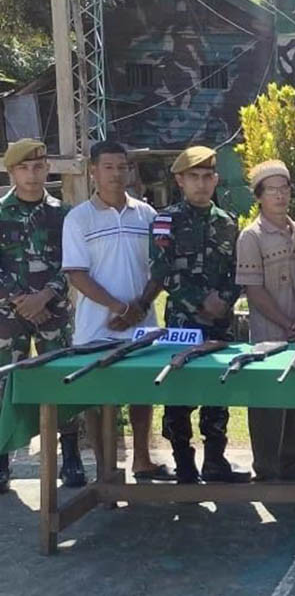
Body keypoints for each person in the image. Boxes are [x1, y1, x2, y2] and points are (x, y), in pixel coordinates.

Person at [61, 140, 172, 483]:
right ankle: (106, 470)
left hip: (141, 325)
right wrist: (119, 307)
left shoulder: (147, 215)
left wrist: (139, 307)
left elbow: (160, 268)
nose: (116, 174)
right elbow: (76, 274)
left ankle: (142, 460)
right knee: (99, 401)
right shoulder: (78, 218)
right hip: (97, 327)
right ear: (93, 171)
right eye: (108, 167)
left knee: (141, 394)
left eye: (122, 167)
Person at [139, 146, 249, 484]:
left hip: (219, 322)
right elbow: (162, 271)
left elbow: (238, 270)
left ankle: (215, 461)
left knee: (218, 390)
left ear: (216, 179)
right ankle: (184, 463)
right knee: (180, 391)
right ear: (180, 181)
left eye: (207, 176)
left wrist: (224, 300)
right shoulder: (165, 221)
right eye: (193, 177)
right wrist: (200, 301)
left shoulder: (227, 222)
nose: (201, 184)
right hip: (183, 322)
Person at [0, 140, 81, 491]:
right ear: (11, 172)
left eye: (38, 167)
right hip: (8, 314)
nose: (31, 175)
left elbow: (73, 263)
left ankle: (71, 456)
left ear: (47, 168)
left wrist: (45, 296)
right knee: (5, 384)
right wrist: (19, 301)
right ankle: (2, 459)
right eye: (23, 168)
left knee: (62, 379)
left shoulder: (64, 215)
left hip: (54, 312)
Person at [235, 160, 295, 483]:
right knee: (268, 402)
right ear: (259, 196)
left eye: (284, 189)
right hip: (268, 335)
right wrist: (285, 322)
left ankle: (290, 463)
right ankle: (267, 470)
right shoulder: (251, 237)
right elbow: (253, 291)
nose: (280, 196)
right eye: (272, 190)